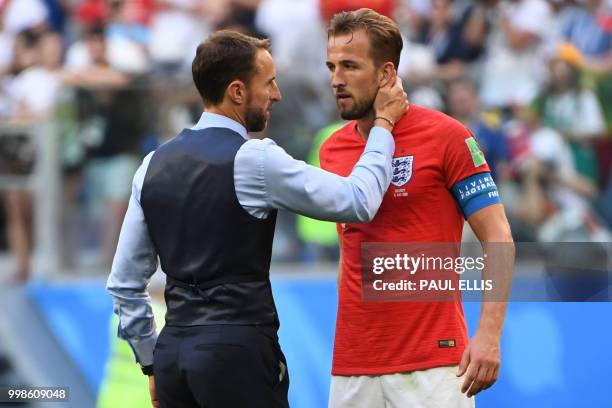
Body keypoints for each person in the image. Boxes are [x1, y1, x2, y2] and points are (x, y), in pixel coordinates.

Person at [106, 30, 408, 408]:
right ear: (237, 91)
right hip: (236, 352)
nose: (277, 94)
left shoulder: (151, 165)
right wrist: (383, 126)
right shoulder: (255, 159)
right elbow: (358, 200)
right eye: (268, 83)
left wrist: (153, 362)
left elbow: (123, 284)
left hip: (174, 355)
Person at [320, 9, 514, 407]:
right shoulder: (331, 149)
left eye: (350, 66)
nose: (336, 79)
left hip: (435, 363)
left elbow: (498, 236)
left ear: (387, 74)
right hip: (354, 364)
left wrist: (489, 336)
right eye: (332, 66)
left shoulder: (448, 136)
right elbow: (348, 251)